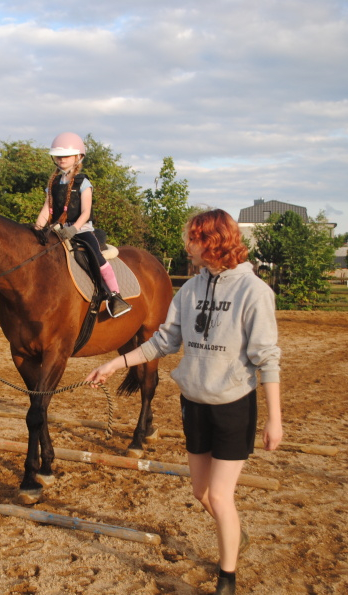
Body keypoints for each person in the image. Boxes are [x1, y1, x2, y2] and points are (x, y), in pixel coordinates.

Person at [85, 209, 282, 595]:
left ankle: (226, 578)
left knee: (220, 496)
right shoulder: (190, 290)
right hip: (194, 403)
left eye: (192, 239)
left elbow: (267, 357)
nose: (186, 246)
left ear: (212, 241)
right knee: (201, 493)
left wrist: (274, 419)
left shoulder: (254, 292)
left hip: (233, 405)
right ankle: (233, 532)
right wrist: (114, 363)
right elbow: (163, 341)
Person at [34, 132, 132, 318]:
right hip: (57, 230)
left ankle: (115, 296)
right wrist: (37, 229)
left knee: (96, 256)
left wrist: (73, 229)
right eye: (58, 156)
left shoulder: (83, 183)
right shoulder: (53, 183)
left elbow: (86, 212)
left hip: (80, 229)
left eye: (66, 155)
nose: (62, 159)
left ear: (78, 157)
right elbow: (47, 209)